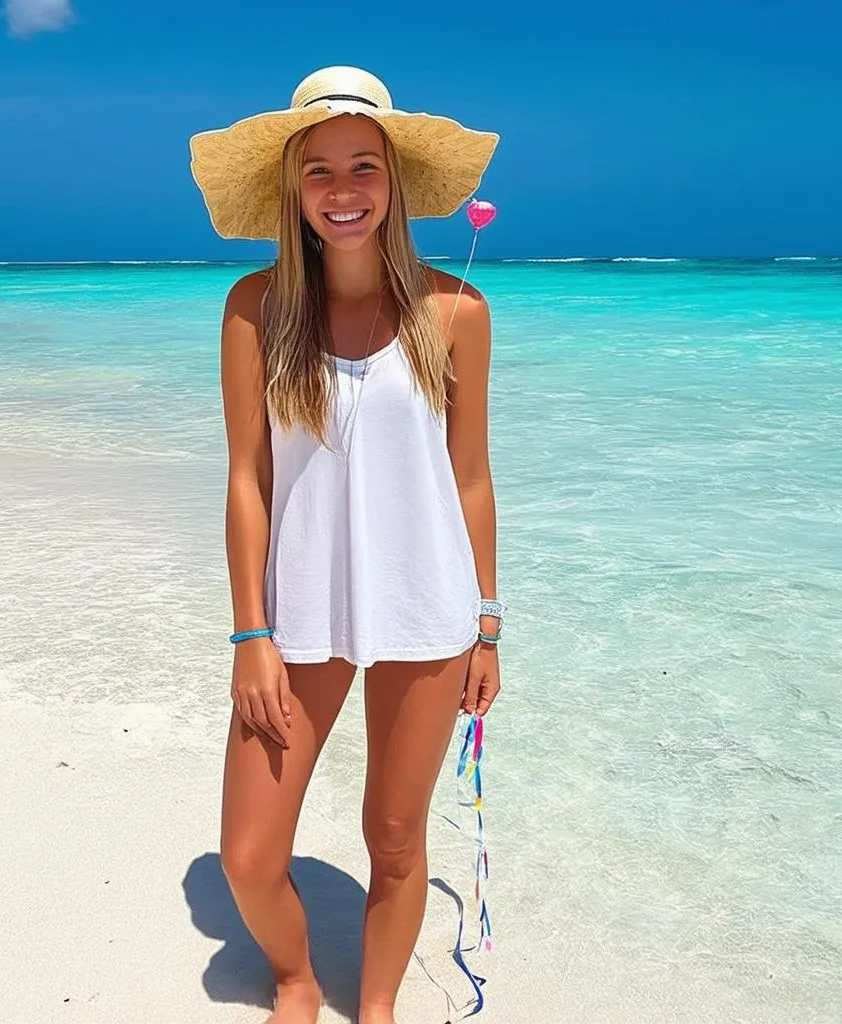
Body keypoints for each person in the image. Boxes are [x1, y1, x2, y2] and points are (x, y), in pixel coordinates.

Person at [188, 65, 504, 1024]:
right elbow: (248, 479)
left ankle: (375, 1008)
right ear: (293, 189)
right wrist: (251, 634)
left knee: (396, 835)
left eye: (363, 165)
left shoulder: (457, 313)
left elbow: (471, 479)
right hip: (299, 615)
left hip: (429, 608)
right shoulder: (256, 309)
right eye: (319, 170)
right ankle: (293, 978)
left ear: (395, 181)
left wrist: (486, 625)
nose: (342, 189)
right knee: (248, 854)